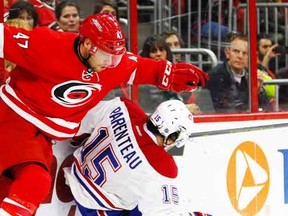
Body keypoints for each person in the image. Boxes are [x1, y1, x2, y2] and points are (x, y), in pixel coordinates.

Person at [0, 13, 208, 216]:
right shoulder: (49, 44)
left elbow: (138, 67)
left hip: (40, 138)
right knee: (33, 184)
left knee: (12, 190)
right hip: (13, 119)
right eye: (108, 55)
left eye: (116, 56)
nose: (111, 63)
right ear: (88, 45)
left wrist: (168, 74)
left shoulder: (111, 63)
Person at [64, 97, 211, 216]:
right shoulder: (162, 166)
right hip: (95, 206)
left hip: (77, 172)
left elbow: (82, 125)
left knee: (141, 199)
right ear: (171, 138)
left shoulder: (124, 107)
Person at [205, 33, 272, 113]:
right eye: (236, 51)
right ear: (227, 53)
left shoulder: (249, 74)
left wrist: (259, 91)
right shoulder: (216, 76)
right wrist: (251, 92)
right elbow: (229, 109)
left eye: (245, 53)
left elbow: (268, 109)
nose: (240, 56)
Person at [139, 34, 202, 114]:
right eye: (153, 51)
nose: (158, 54)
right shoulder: (143, 80)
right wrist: (183, 109)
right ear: (147, 55)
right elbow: (152, 111)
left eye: (161, 50)